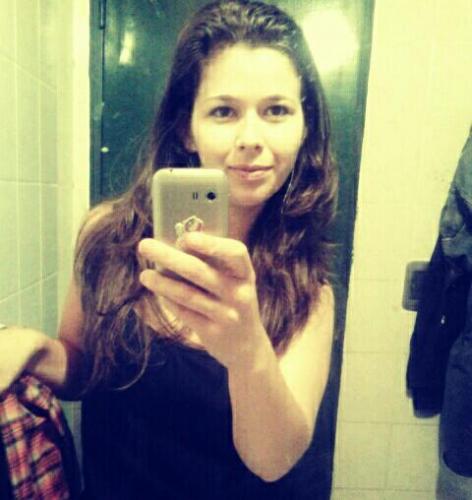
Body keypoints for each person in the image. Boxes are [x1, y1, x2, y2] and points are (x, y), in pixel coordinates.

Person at [0, 0, 338, 498]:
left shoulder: (307, 290)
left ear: (303, 127)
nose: (251, 138)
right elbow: (84, 371)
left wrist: (246, 348)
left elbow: (272, 461)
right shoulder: (107, 237)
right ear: (187, 128)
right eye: (224, 111)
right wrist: (34, 348)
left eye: (276, 111)